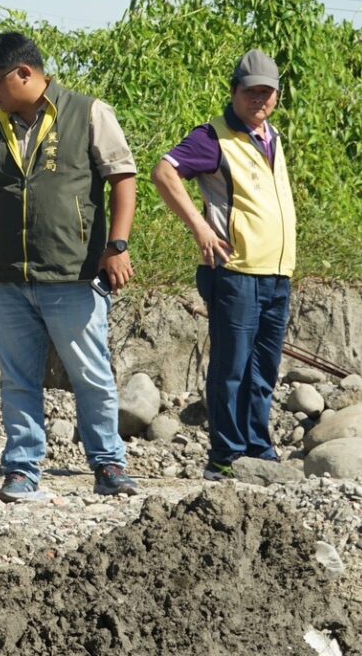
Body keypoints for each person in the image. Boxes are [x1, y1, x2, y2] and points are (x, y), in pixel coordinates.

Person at [0, 32, 140, 501]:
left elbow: (122, 177)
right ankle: (22, 469)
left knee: (91, 375)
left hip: (72, 275)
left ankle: (108, 464)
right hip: (8, 278)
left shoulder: (87, 112)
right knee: (18, 379)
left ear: (25, 73)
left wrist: (117, 244)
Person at [151, 49, 297, 480]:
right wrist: (199, 227)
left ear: (276, 96)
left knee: (264, 368)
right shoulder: (213, 137)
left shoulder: (272, 137)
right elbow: (164, 172)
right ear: (234, 91)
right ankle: (225, 456)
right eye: (251, 92)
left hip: (276, 272)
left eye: (267, 93)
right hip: (235, 272)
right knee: (231, 367)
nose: (260, 100)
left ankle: (257, 448)